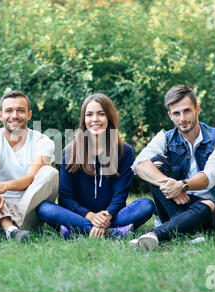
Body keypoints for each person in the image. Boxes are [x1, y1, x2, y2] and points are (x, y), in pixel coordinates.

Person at [130, 84, 215, 251]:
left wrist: (182, 185)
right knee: (155, 163)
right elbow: (139, 165)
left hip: (209, 210)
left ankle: (156, 234)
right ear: (170, 115)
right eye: (176, 113)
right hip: (174, 199)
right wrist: (171, 185)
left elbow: (209, 177)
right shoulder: (165, 137)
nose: (182, 118)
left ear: (197, 110)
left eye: (187, 111)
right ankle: (187, 230)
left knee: (208, 204)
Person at [37, 93, 155, 239]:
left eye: (101, 114)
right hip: (80, 215)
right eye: (89, 114)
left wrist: (108, 215)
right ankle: (110, 233)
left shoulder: (124, 151)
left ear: (109, 118)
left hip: (112, 216)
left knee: (146, 205)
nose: (95, 119)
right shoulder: (69, 152)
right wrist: (90, 216)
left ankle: (77, 232)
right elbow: (65, 198)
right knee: (45, 209)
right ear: (83, 119)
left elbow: (120, 195)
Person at [0, 90, 58, 242]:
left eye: (20, 110)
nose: (14, 115)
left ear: (29, 115)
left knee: (49, 172)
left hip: (28, 214)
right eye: (9, 111)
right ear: (0, 115)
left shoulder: (43, 142)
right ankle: (9, 228)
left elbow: (30, 178)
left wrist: (3, 186)